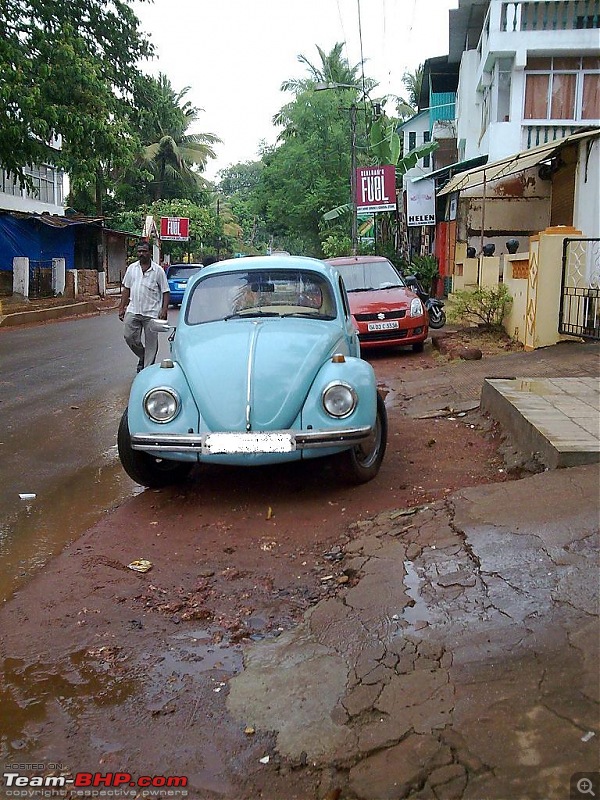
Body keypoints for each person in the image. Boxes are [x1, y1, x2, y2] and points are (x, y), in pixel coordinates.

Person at [118, 240, 170, 372]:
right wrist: (121, 307)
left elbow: (165, 291)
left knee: (152, 344)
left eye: (144, 251)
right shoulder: (132, 269)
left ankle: (147, 372)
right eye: (139, 251)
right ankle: (142, 356)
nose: (141, 254)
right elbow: (126, 289)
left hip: (151, 313)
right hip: (133, 310)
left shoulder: (158, 271)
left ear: (150, 253)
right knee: (128, 336)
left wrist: (164, 310)